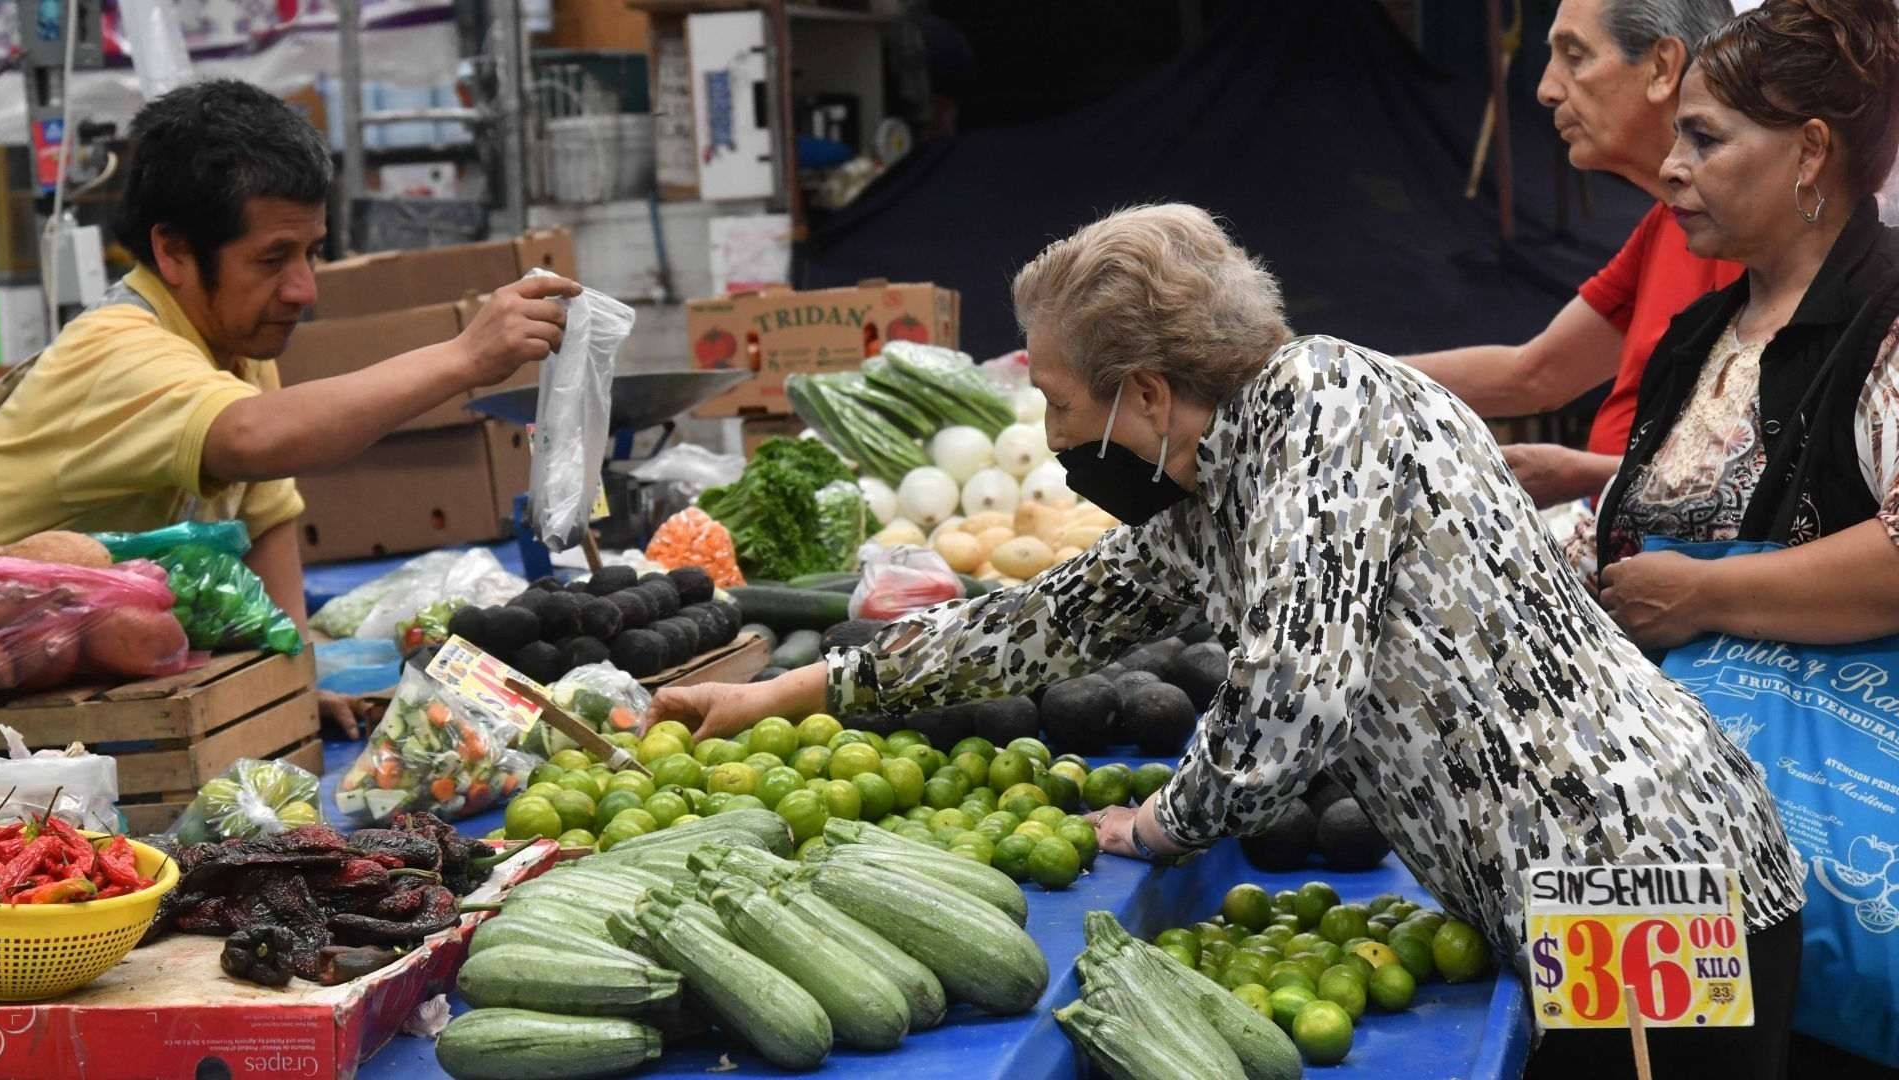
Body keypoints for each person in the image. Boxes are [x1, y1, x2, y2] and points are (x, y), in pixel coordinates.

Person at [647, 203, 1806, 1077]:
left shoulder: (1327, 403)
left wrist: (1165, 823)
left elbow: (1289, 699)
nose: (1052, 437)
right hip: (1565, 887)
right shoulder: (1214, 492)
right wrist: (796, 689)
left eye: (1056, 400)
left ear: (1145, 392)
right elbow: (1036, 625)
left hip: (1638, 870)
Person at [0, 80, 579, 736]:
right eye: (273, 258)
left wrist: (292, 683)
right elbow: (252, 438)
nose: (303, 288)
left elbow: (267, 517)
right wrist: (464, 358)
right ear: (173, 251)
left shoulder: (233, 343)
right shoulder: (115, 351)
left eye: (311, 252)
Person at [1590, 0, 1899, 652]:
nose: (1673, 165)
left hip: (1815, 744)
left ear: (1810, 151)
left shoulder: (1886, 315)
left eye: (1705, 138)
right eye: (1678, 136)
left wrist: (1706, 594)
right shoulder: (1698, 335)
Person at [1405, 0, 1740, 509]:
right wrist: (1330, 370)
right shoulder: (1664, 225)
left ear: (1662, 68)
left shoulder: (1755, 233)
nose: (1546, 89)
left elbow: (1759, 470)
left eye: (1575, 55)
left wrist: (1585, 474)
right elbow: (1536, 373)